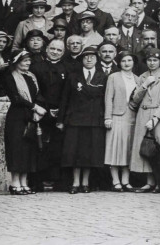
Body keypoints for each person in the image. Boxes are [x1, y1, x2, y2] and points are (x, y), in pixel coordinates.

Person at [59, 46, 108, 193]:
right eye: (86, 57)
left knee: (89, 152)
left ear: (96, 59)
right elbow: (65, 99)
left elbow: (102, 97)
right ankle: (75, 182)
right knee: (75, 151)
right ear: (81, 59)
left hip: (94, 119)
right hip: (75, 119)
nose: (89, 59)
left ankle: (85, 182)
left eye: (92, 57)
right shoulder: (73, 76)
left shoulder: (102, 76)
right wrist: (60, 120)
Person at [128, 48, 160, 192]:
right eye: (149, 60)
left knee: (159, 147)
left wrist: (155, 118)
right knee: (145, 148)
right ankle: (149, 182)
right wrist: (144, 85)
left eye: (155, 60)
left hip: (158, 115)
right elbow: (135, 99)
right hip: (143, 112)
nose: (152, 63)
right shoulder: (142, 77)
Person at [2, 53, 46, 195]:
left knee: (29, 149)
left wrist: (37, 109)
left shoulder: (31, 76)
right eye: (24, 61)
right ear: (16, 62)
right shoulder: (9, 77)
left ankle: (24, 182)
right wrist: (34, 107)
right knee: (16, 148)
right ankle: (15, 183)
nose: (28, 63)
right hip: (17, 116)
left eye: (29, 61)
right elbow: (16, 98)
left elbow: (38, 94)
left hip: (31, 116)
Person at [103, 52, 140, 191]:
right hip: (116, 116)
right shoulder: (113, 77)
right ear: (119, 63)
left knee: (128, 149)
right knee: (115, 148)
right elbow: (108, 98)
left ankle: (126, 181)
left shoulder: (137, 79)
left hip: (132, 116)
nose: (127, 63)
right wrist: (108, 117)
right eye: (123, 60)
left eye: (129, 60)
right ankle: (115, 181)